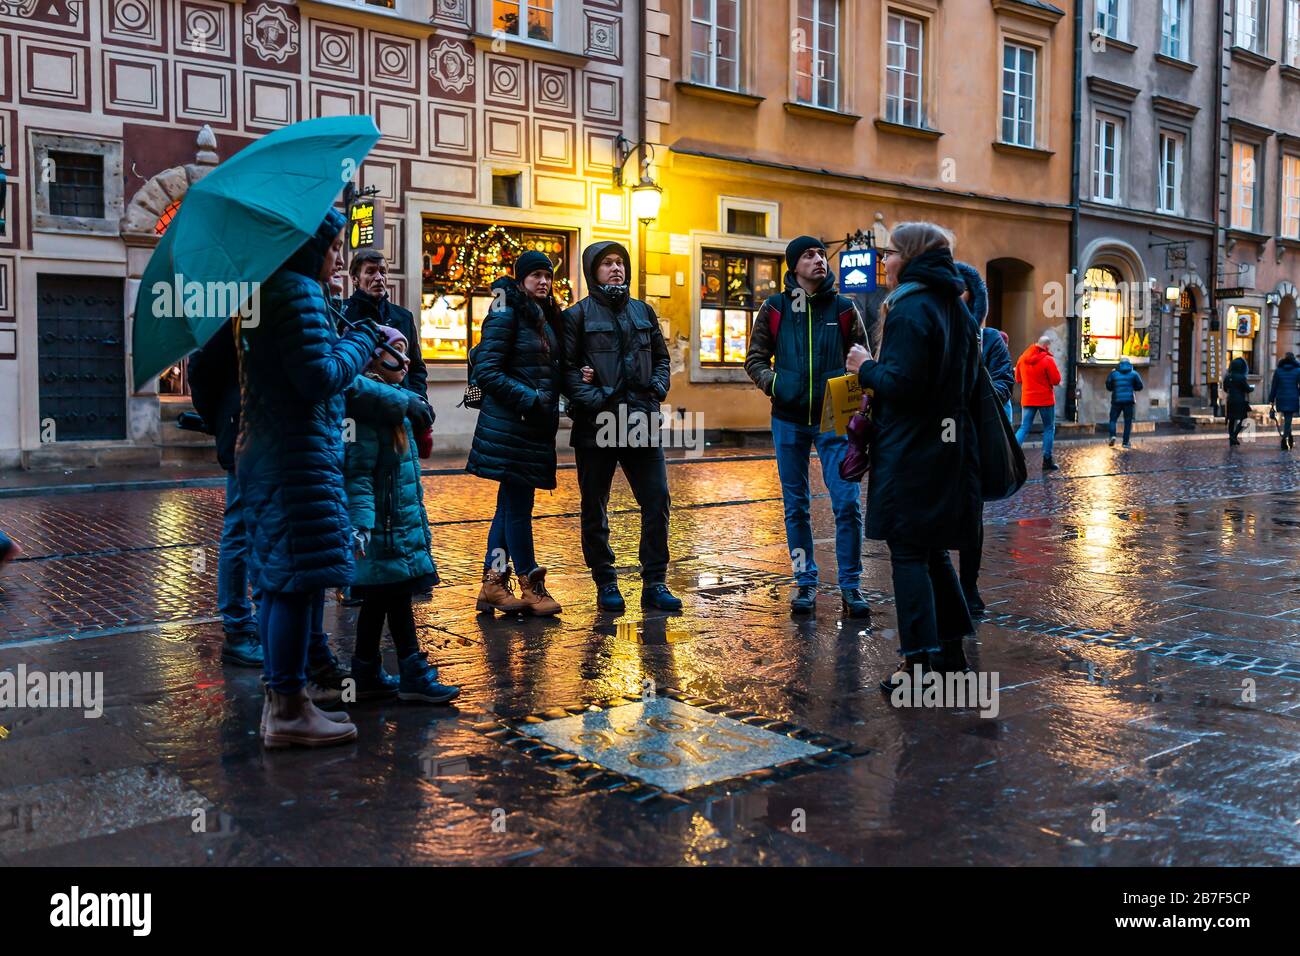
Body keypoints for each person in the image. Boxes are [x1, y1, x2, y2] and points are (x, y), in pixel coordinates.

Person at [237, 207, 382, 749]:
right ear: (308, 246)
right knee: (298, 584)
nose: (339, 256)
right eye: (333, 245)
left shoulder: (268, 288)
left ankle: (284, 703)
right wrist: (363, 344)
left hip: (271, 451)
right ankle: (290, 709)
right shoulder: (296, 291)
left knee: (279, 580)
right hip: (295, 455)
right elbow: (318, 378)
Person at [845, 222, 979, 691]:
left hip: (909, 448)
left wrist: (866, 368)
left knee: (907, 552)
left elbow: (903, 385)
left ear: (912, 256)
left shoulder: (909, 308)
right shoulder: (955, 308)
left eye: (892, 252)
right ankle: (953, 653)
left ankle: (918, 665)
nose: (884, 260)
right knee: (932, 548)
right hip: (947, 447)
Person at [744, 235, 871, 617]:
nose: (818, 259)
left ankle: (851, 585)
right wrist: (777, 384)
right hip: (788, 420)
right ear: (793, 266)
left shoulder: (845, 308)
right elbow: (754, 359)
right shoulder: (775, 307)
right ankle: (805, 583)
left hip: (835, 420)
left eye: (820, 253)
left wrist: (860, 394)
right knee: (795, 507)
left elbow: (863, 360)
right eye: (808, 255)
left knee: (847, 503)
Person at [563, 241, 681, 613]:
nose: (616, 269)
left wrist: (658, 388)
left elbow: (663, 358)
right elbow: (565, 371)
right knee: (595, 504)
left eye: (620, 263)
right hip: (596, 424)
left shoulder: (643, 311)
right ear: (592, 271)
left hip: (640, 419)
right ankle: (606, 581)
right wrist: (596, 400)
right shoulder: (577, 316)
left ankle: (655, 582)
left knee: (657, 499)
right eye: (607, 264)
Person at [343, 326, 460, 705]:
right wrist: (362, 523)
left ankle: (365, 671)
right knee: (393, 596)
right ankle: (411, 669)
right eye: (396, 351)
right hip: (384, 528)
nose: (406, 360)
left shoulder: (399, 403)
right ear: (375, 358)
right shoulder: (366, 410)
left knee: (383, 598)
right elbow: (357, 473)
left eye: (408, 352)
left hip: (398, 523)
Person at [468, 252, 565, 616]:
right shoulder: (505, 311)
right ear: (521, 279)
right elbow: (488, 370)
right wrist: (531, 398)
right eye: (536, 275)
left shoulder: (542, 316)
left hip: (530, 426)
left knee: (508, 505)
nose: (543, 282)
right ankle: (530, 584)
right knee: (518, 507)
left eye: (548, 276)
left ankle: (492, 584)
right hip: (513, 425)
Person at [187, 318, 262, 669]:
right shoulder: (239, 310)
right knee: (240, 529)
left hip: (272, 432)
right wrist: (222, 419)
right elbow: (201, 370)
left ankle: (259, 623)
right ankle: (238, 628)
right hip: (244, 433)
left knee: (264, 529)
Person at [954, 260, 1012, 616]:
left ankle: (969, 585)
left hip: (973, 438)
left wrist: (975, 381)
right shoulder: (933, 333)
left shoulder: (989, 340)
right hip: (934, 440)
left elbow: (1005, 384)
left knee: (970, 516)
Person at [344, 250, 429, 403]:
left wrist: (419, 399)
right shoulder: (342, 315)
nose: (379, 278)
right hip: (359, 406)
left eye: (382, 272)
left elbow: (416, 368)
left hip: (402, 406)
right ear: (355, 279)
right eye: (370, 272)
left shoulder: (404, 317)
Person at [1014, 335, 1063, 471]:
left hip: (1028, 398)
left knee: (1024, 427)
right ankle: (1047, 461)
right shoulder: (1048, 360)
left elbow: (1018, 378)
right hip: (1045, 399)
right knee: (1048, 428)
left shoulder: (1023, 358)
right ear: (1046, 346)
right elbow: (1056, 380)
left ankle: (1010, 454)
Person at [1105, 357, 1145, 448]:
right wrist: (1133, 387)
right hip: (1129, 401)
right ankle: (1125, 442)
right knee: (1128, 421)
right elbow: (1140, 386)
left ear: (1119, 364)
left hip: (1116, 400)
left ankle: (1112, 436)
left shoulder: (1113, 373)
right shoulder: (1134, 373)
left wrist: (1114, 388)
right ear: (1129, 364)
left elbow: (1108, 385)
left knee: (1113, 419)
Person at [1268, 352, 1300, 450]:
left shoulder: (1278, 371)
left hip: (1281, 398)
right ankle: (1284, 439)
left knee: (1287, 419)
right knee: (1288, 419)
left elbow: (1274, 386)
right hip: (1293, 397)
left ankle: (1289, 437)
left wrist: (1271, 400)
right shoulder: (1298, 370)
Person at [1223, 356, 1254, 446]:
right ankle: (1234, 435)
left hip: (1230, 400)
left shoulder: (1227, 377)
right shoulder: (1241, 377)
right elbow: (1247, 389)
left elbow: (1225, 388)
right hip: (1240, 400)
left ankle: (1232, 438)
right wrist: (1252, 388)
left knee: (1231, 420)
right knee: (1243, 418)